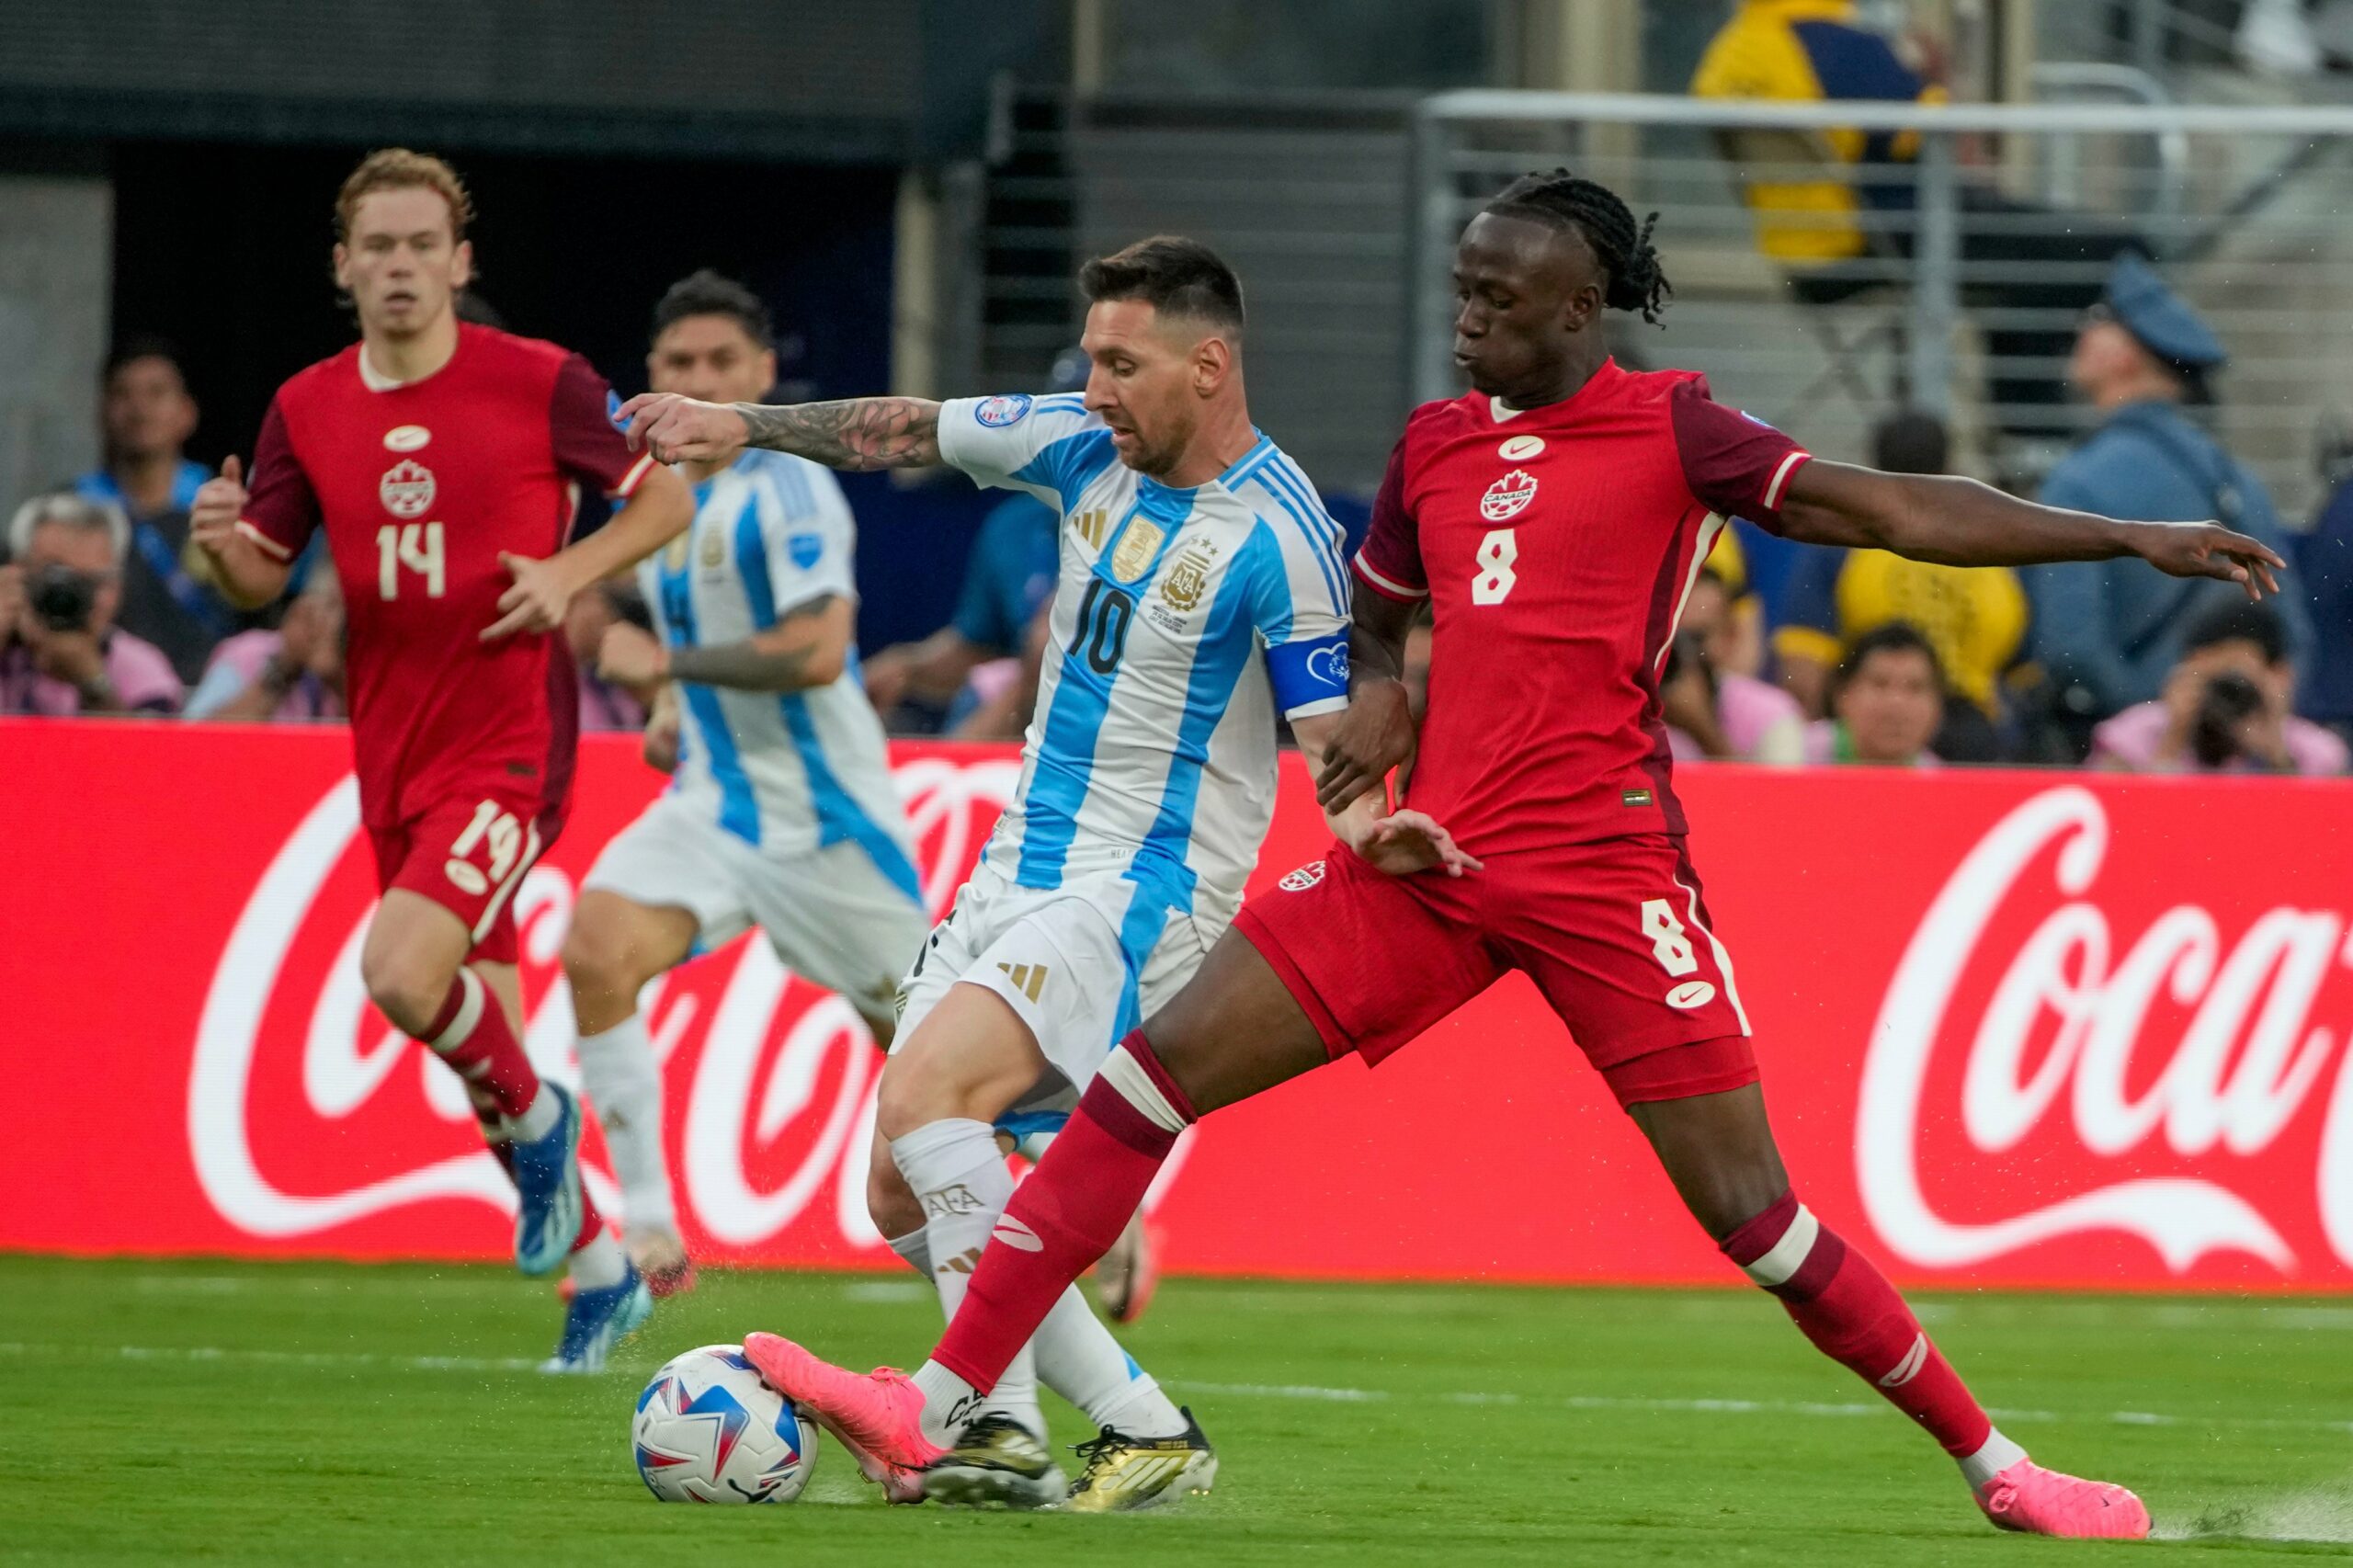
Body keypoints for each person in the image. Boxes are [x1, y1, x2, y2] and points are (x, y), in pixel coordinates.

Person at [733, 170, 2284, 1535]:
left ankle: (2000, 1465)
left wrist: (2120, 534)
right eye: (1462, 287)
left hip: (1608, 877)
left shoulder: (1676, 427)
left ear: (1580, 305)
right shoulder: (1432, 448)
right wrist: (1380, 718)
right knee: (1142, 1080)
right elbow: (1385, 628)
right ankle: (943, 1402)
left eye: (1496, 294)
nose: (1466, 316)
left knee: (1758, 1219)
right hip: (1433, 863)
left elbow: (1888, 510)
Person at [620, 234, 1431, 1511]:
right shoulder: (1074, 442)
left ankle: (1023, 1420)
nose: (1094, 386)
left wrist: (1379, 827)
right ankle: (1069, 1430)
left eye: (1123, 362)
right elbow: (905, 428)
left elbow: (1333, 737)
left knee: (940, 1100)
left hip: (1145, 887)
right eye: (1092, 359)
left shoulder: (1280, 535)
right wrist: (741, 423)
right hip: (1021, 863)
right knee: (897, 1178)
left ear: (1209, 365)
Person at [183, 148, 696, 1372]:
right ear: (343, 267)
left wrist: (569, 575)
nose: (401, 266)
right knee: (485, 1042)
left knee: (406, 976)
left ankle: (548, 1127)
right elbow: (262, 566)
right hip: (390, 744)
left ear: (461, 264)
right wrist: (216, 549)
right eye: (380, 247)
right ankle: (601, 1271)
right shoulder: (307, 404)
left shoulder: (539, 379)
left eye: (424, 246)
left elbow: (663, 499)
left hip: (511, 737)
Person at [559, 270, 930, 1298]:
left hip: (826, 818)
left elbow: (816, 649)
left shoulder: (791, 486)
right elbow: (686, 635)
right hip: (715, 804)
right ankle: (647, 1233)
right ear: (652, 379)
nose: (699, 380)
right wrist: (678, 711)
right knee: (595, 950)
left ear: (764, 377)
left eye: (723, 362)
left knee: (940, 1077)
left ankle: (1099, 1230)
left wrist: (662, 671)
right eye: (680, 364)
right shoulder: (668, 501)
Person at [1692, 0, 2141, 438]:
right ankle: (2034, 431)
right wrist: (1937, 74)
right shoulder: (1840, 43)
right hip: (1879, 240)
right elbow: (1940, 136)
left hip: (1803, 253)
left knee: (2021, 257)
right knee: (2105, 248)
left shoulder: (1729, 52)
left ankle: (2026, 430)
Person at [2028, 253, 2311, 726]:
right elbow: (2291, 636)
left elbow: (2070, 650)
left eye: (2097, 319)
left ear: (2126, 356)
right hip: (2239, 753)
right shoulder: (2239, 481)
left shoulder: (2075, 482)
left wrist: (2154, 726)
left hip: (2124, 756)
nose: (2080, 333)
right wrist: (2227, 727)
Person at [1774, 410, 2026, 760]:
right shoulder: (1991, 547)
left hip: (1868, 734)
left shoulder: (1843, 543)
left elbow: (1804, 666)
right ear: (1948, 467)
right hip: (1977, 738)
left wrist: (1824, 746)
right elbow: (2023, 665)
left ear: (1870, 468)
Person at [858, 348, 1083, 737]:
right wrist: (908, 666)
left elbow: (1050, 657)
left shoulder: (1168, 518)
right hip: (1021, 721)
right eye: (1068, 422)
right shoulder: (1015, 526)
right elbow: (980, 642)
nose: (1080, 439)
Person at [73, 337, 242, 685]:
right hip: (106, 700)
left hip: (214, 707)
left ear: (187, 413)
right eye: (123, 394)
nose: (139, 409)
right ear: (100, 411)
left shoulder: (221, 506)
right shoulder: (71, 512)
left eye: (156, 393)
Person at [2089, 598, 2346, 776]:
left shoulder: (2316, 753)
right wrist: (2171, 745)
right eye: (2212, 680)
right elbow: (2111, 819)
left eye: (2236, 682)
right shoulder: (2136, 736)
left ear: (2280, 676)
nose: (2224, 696)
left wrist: (2277, 756)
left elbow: (2321, 837)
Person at [1, 492, 184, 716]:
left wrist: (95, 685)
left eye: (92, 581)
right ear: (15, 572)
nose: (69, 597)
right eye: (59, 577)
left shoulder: (141, 670)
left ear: (117, 587)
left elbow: (148, 751)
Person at [1661, 567, 1806, 764]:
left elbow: (1780, 793)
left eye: (1697, 637)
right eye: (1672, 637)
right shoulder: (1627, 705)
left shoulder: (1770, 713)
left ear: (1730, 637)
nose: (1683, 650)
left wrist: (1702, 729)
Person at [183, 566, 346, 722]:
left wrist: (338, 680)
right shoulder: (251, 654)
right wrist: (286, 665)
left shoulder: (354, 674)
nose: (333, 624)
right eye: (330, 606)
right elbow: (190, 741)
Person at [1802, 619, 1945, 767]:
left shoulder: (1939, 778)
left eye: (1915, 687)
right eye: (1880, 684)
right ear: (1841, 694)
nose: (1896, 702)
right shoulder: (1796, 758)